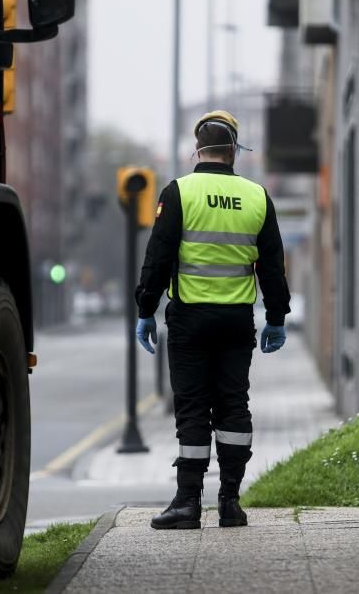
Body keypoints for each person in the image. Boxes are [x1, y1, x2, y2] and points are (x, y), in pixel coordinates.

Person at [134, 110, 291, 530]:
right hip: (237, 321)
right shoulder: (258, 197)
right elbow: (272, 267)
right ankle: (230, 502)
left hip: (189, 321)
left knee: (192, 408)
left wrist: (145, 310)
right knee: (233, 405)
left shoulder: (179, 192)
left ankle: (187, 504)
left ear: (197, 149)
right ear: (234, 151)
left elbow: (158, 258)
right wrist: (275, 318)